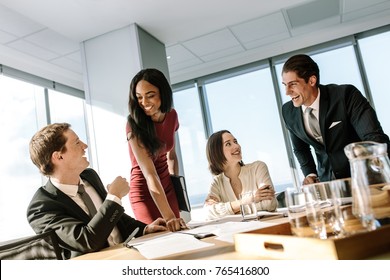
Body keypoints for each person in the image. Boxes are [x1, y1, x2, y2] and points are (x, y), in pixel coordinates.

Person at [27, 123, 167, 259]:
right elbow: (87, 241)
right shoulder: (41, 207)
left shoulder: (90, 176)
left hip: (128, 255)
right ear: (59, 157)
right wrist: (114, 197)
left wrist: (145, 229)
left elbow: (114, 219)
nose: (85, 146)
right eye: (77, 143)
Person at [281, 54, 390, 185]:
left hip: (366, 178)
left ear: (311, 80)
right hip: (329, 183)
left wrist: (372, 170)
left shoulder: (346, 95)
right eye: (285, 85)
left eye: (293, 84)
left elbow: (373, 138)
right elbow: (300, 149)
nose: (287, 92)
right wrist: (310, 173)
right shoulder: (288, 112)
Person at [126, 68, 186, 231]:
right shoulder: (134, 125)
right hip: (144, 190)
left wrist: (176, 187)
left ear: (163, 93)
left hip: (167, 186)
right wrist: (168, 216)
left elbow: (171, 155)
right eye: (139, 97)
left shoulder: (172, 116)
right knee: (159, 237)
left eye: (150, 95)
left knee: (179, 234)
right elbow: (149, 174)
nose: (144, 102)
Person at [204, 130, 277, 219]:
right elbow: (208, 212)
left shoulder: (258, 168)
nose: (237, 146)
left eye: (235, 142)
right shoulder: (217, 183)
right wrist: (249, 200)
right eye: (228, 144)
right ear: (217, 152)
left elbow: (269, 204)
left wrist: (231, 212)